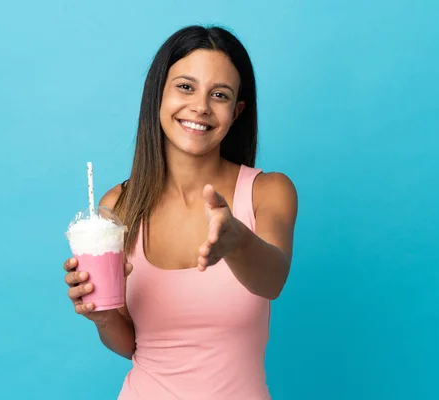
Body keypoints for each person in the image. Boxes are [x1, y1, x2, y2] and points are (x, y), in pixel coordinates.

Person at [63, 25, 298, 400]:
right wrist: (102, 314)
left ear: (236, 112)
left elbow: (272, 281)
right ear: (159, 95)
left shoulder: (267, 192)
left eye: (219, 95)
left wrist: (236, 240)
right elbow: (132, 345)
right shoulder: (118, 206)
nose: (200, 106)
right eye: (185, 87)